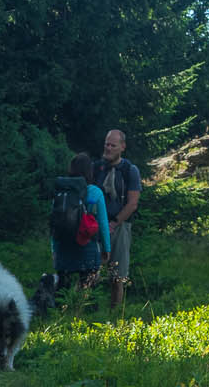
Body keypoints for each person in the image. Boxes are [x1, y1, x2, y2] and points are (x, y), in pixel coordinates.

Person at [91, 128, 142, 310]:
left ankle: (115, 316)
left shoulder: (130, 170)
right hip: (95, 228)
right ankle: (83, 313)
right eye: (106, 144)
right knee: (90, 273)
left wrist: (113, 223)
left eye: (113, 145)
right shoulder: (96, 168)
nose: (108, 148)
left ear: (122, 147)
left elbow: (132, 203)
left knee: (118, 276)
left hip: (120, 227)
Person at [50, 152, 111, 296]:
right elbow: (102, 223)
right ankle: (87, 315)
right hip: (87, 246)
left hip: (63, 246)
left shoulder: (61, 192)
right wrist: (106, 248)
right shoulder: (95, 192)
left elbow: (54, 222)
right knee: (89, 291)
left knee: (63, 289)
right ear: (89, 170)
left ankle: (61, 315)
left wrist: (54, 248)